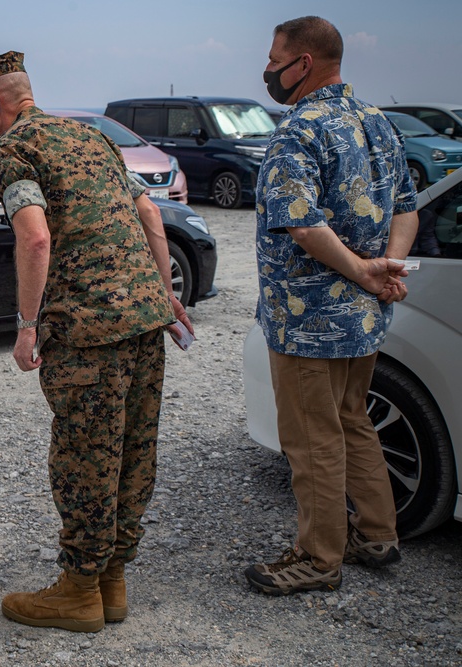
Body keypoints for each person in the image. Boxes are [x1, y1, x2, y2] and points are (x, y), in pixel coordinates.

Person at [0, 51, 193, 632]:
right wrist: (164, 294)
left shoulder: (14, 151)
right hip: (144, 321)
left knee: (86, 455)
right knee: (134, 450)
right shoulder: (90, 138)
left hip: (86, 332)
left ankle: (79, 592)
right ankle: (112, 580)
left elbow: (35, 240)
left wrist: (27, 325)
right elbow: (153, 220)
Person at [245, 16, 419, 595]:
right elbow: (407, 206)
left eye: (274, 59)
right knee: (352, 419)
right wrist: (385, 267)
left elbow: (301, 222)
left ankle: (318, 558)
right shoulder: (378, 122)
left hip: (308, 319)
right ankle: (377, 534)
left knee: (313, 436)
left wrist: (366, 272)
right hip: (362, 318)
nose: (268, 70)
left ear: (303, 65)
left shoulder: (299, 129)